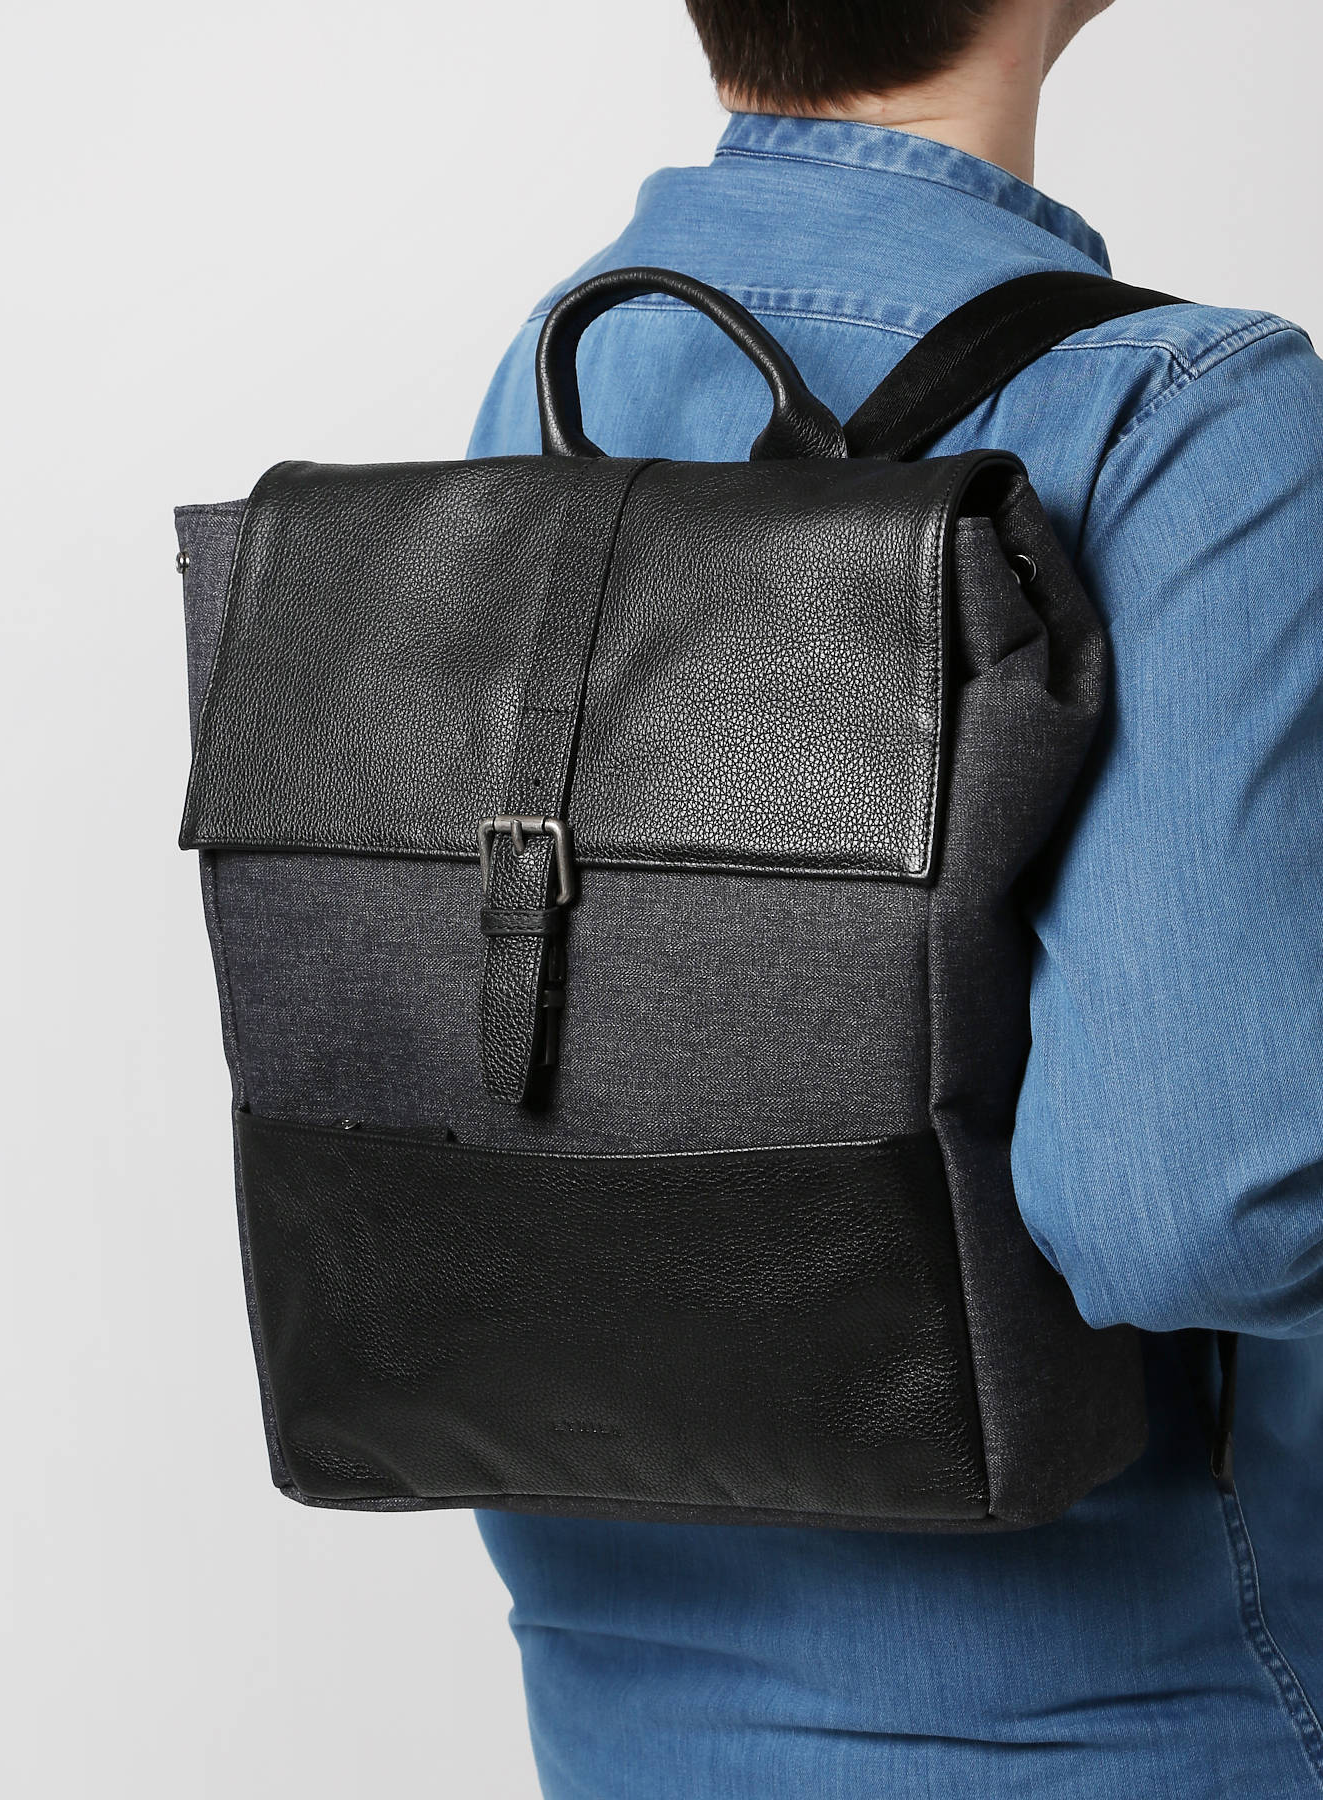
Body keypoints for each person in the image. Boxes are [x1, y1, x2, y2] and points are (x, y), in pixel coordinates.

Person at [467, 3, 1323, 1793]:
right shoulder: (1180, 412)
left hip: (629, 1690)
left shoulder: (564, 368)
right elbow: (1194, 1218)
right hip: (1128, 1703)